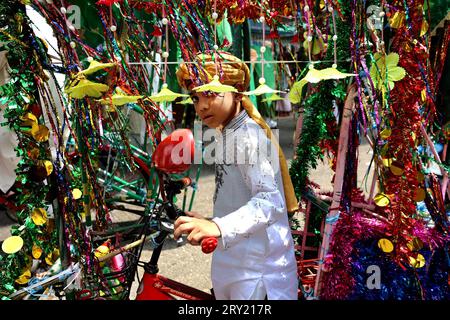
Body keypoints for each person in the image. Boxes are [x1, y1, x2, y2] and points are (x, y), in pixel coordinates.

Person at [173, 51, 299, 300]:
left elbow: (270, 202)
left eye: (210, 94)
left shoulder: (248, 137)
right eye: (195, 98)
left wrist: (218, 225)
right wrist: (210, 220)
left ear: (238, 93)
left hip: (258, 272)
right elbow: (239, 194)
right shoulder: (226, 133)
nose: (201, 106)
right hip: (238, 263)